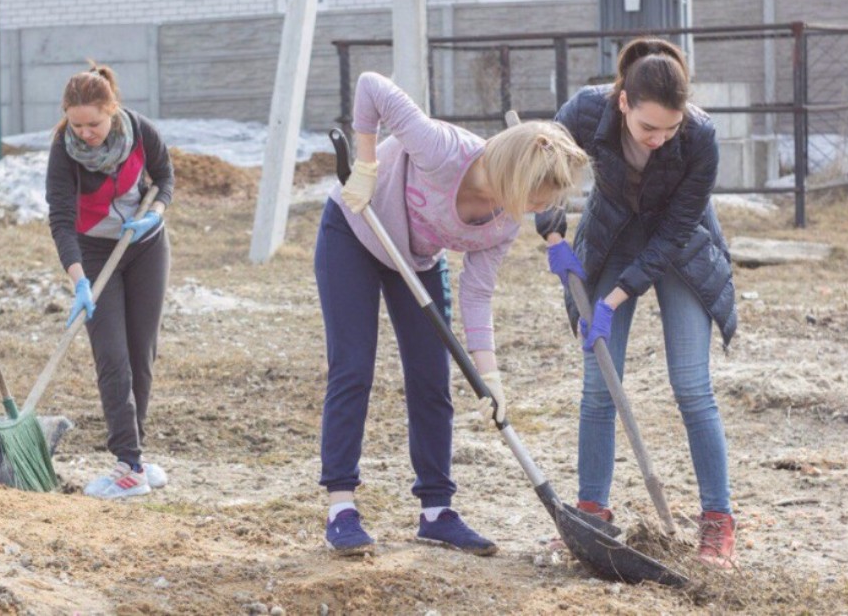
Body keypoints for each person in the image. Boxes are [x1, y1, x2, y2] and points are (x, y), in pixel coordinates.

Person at [316, 71, 588, 556]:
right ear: (514, 177)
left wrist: (492, 380)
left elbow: (477, 297)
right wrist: (365, 163)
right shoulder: (442, 150)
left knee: (431, 377)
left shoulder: (503, 226)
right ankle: (341, 506)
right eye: (534, 198)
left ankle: (436, 512)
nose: (532, 211)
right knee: (354, 367)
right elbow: (369, 86)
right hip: (355, 229)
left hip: (414, 259)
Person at [536, 37, 739, 567]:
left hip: (682, 248)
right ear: (623, 101)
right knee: (598, 387)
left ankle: (718, 523)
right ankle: (591, 514)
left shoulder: (700, 137)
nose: (659, 139)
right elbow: (543, 174)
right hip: (612, 238)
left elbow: (673, 233)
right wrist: (555, 238)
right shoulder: (584, 109)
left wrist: (615, 297)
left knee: (692, 386)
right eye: (649, 127)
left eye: (669, 129)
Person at [45, 63, 174, 499]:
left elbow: (166, 180)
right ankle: (128, 462)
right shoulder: (63, 152)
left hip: (146, 246)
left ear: (112, 110)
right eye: (76, 124)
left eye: (94, 123)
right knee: (112, 356)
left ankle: (133, 462)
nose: (85, 133)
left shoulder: (140, 131)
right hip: (96, 253)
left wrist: (153, 216)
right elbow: (61, 221)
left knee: (141, 353)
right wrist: (78, 280)